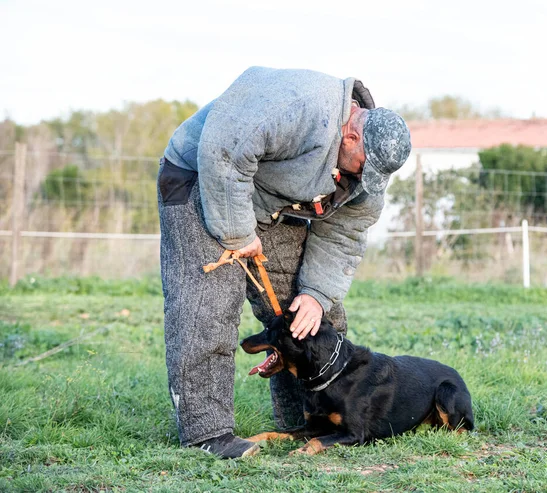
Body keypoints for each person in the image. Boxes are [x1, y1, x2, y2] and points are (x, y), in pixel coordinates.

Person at [157, 66, 411, 458]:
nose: (364, 178)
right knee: (208, 308)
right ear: (350, 134)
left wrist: (317, 293)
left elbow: (344, 232)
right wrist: (240, 233)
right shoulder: (299, 105)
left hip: (274, 199)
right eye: (363, 166)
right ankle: (208, 433)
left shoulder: (367, 168)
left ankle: (309, 421)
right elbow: (222, 151)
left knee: (309, 313)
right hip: (202, 179)